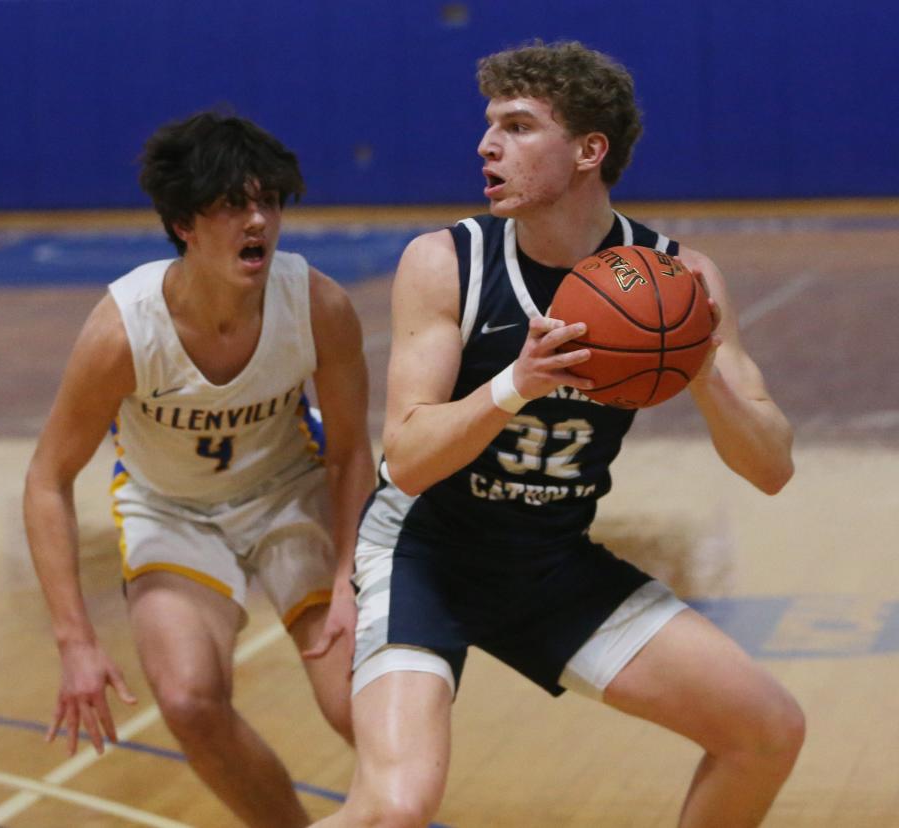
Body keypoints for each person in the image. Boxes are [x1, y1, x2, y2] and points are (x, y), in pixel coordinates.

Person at [315, 40, 805, 827]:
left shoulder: (678, 278)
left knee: (768, 732)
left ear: (588, 150)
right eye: (488, 126)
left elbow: (772, 467)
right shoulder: (447, 263)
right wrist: (517, 383)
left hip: (547, 560)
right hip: (424, 555)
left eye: (516, 126)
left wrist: (705, 369)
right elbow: (403, 459)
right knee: (397, 807)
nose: (486, 145)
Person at [23, 111, 375, 828]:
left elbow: (350, 456)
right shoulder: (124, 330)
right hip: (172, 510)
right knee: (186, 700)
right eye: (233, 205)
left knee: (362, 710)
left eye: (269, 202)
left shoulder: (318, 305)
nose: (258, 222)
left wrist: (348, 579)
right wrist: (77, 642)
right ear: (185, 222)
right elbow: (47, 480)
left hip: (289, 498)